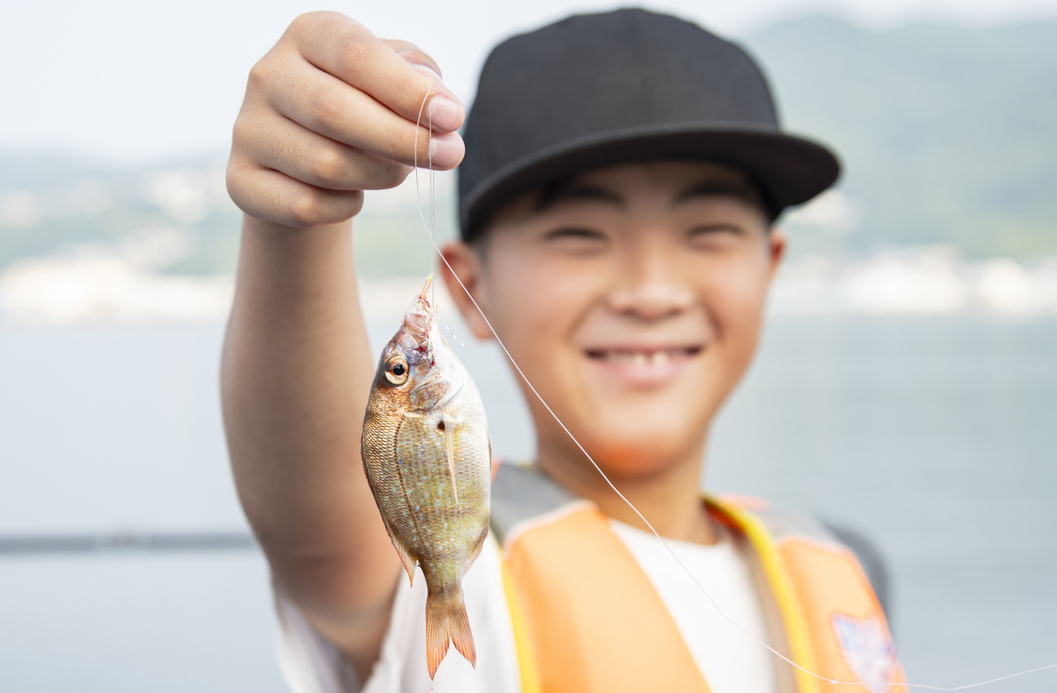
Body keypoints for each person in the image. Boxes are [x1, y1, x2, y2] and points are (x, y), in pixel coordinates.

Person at [222, 8, 903, 693]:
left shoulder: (827, 562)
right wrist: (294, 221)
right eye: (580, 233)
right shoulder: (457, 572)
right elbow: (317, 525)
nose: (652, 290)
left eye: (710, 230)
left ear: (771, 267)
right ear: (472, 287)